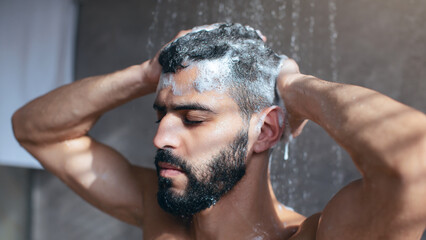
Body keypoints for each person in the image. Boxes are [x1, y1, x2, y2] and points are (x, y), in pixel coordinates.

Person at [12, 23, 426, 239]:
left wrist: (295, 87)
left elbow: (415, 161)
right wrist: (146, 74)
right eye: (162, 116)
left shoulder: (316, 237)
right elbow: (37, 131)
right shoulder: (165, 216)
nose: (160, 139)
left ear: (265, 131)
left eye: (193, 119)